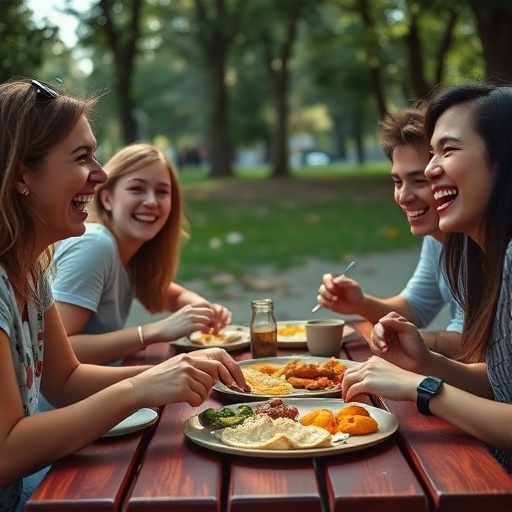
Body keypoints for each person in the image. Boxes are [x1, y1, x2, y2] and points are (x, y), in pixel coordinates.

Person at [0, 78, 246, 512]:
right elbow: (6, 451)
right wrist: (137, 386)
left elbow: (66, 379)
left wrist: (172, 370)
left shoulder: (31, 271)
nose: (101, 173)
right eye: (82, 158)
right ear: (22, 175)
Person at [341, 82, 512, 473]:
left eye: (446, 151)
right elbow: (503, 381)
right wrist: (426, 362)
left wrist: (420, 388)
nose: (432, 173)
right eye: (399, 180)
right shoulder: (491, 251)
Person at [51, 142, 232, 366]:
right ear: (107, 198)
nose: (151, 201)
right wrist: (155, 331)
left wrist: (205, 310)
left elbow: (168, 293)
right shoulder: (95, 244)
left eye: (162, 192)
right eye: (137, 189)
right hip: (65, 402)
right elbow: (53, 352)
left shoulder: (130, 252)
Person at [315, 105, 463, 357]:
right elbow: (416, 308)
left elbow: (477, 346)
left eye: (419, 181)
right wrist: (360, 303)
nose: (404, 197)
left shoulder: (482, 243)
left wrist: (407, 339)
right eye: (397, 182)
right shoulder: (436, 238)